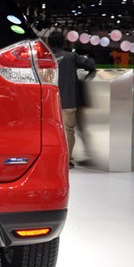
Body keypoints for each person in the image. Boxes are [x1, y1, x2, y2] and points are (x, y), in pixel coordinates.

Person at [47, 30, 96, 168]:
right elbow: (90, 64)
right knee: (68, 130)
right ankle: (66, 159)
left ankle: (54, 157)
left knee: (51, 131)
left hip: (48, 102)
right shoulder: (71, 57)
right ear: (63, 43)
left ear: (49, 44)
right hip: (68, 100)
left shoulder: (45, 58)